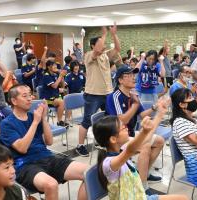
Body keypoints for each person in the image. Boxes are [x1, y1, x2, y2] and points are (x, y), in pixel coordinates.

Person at [0, 84, 88, 200]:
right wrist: (36, 122)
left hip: (46, 157)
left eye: (30, 95)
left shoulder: (33, 116)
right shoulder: (6, 124)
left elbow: (49, 141)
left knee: (89, 172)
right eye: (25, 96)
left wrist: (43, 119)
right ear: (14, 101)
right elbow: (22, 148)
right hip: (24, 165)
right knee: (51, 185)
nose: (30, 98)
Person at [93, 115, 188, 200]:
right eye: (123, 128)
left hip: (141, 196)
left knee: (183, 198)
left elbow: (146, 140)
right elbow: (130, 150)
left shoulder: (120, 150)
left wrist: (159, 115)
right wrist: (144, 131)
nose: (126, 128)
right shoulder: (108, 163)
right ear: (113, 139)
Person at [106, 65, 167, 193]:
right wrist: (135, 105)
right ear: (120, 80)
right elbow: (122, 120)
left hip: (130, 133)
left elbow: (143, 115)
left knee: (159, 141)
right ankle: (143, 187)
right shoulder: (114, 96)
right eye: (129, 75)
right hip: (117, 138)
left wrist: (156, 107)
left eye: (133, 75)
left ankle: (143, 173)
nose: (134, 78)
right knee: (145, 146)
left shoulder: (133, 95)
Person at [76, 22, 120, 156]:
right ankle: (80, 145)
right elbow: (97, 51)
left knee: (109, 119)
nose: (103, 45)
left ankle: (104, 141)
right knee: (87, 121)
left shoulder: (105, 56)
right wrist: (104, 35)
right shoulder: (89, 55)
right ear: (93, 46)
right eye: (100, 43)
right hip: (93, 94)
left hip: (107, 93)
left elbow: (117, 48)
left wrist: (113, 34)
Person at [41, 60, 68, 126]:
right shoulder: (46, 76)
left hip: (55, 96)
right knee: (61, 102)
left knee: (66, 100)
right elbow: (54, 86)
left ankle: (64, 120)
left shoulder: (55, 75)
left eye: (55, 65)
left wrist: (62, 76)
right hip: (47, 99)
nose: (55, 66)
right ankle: (59, 121)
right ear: (49, 67)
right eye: (53, 65)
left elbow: (63, 86)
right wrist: (60, 76)